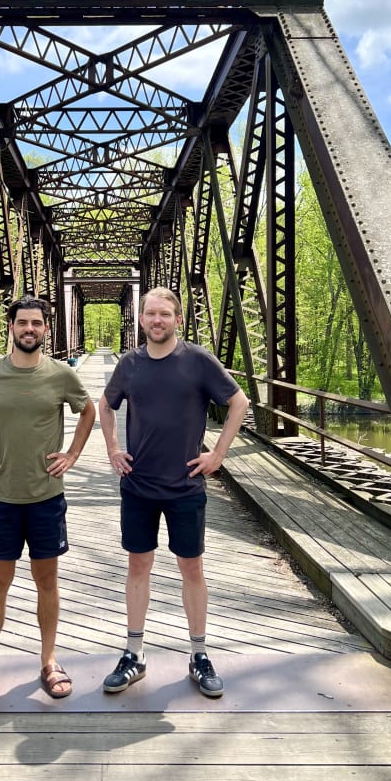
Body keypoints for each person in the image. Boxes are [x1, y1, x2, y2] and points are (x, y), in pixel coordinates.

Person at [0, 294, 95, 704]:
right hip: (4, 498)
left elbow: (88, 411)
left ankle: (48, 661)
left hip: (47, 496)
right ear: (10, 328)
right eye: (22, 323)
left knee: (47, 581)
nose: (30, 329)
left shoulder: (61, 375)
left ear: (46, 328)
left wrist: (73, 455)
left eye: (37, 323)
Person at [98, 286, 250, 698]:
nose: (157, 320)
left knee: (192, 569)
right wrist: (113, 447)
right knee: (138, 567)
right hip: (139, 485)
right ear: (142, 319)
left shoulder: (198, 360)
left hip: (185, 486)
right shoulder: (130, 364)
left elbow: (239, 402)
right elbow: (106, 405)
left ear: (178, 319)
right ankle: (134, 654)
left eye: (165, 314)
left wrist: (218, 454)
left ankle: (199, 655)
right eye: (151, 314)